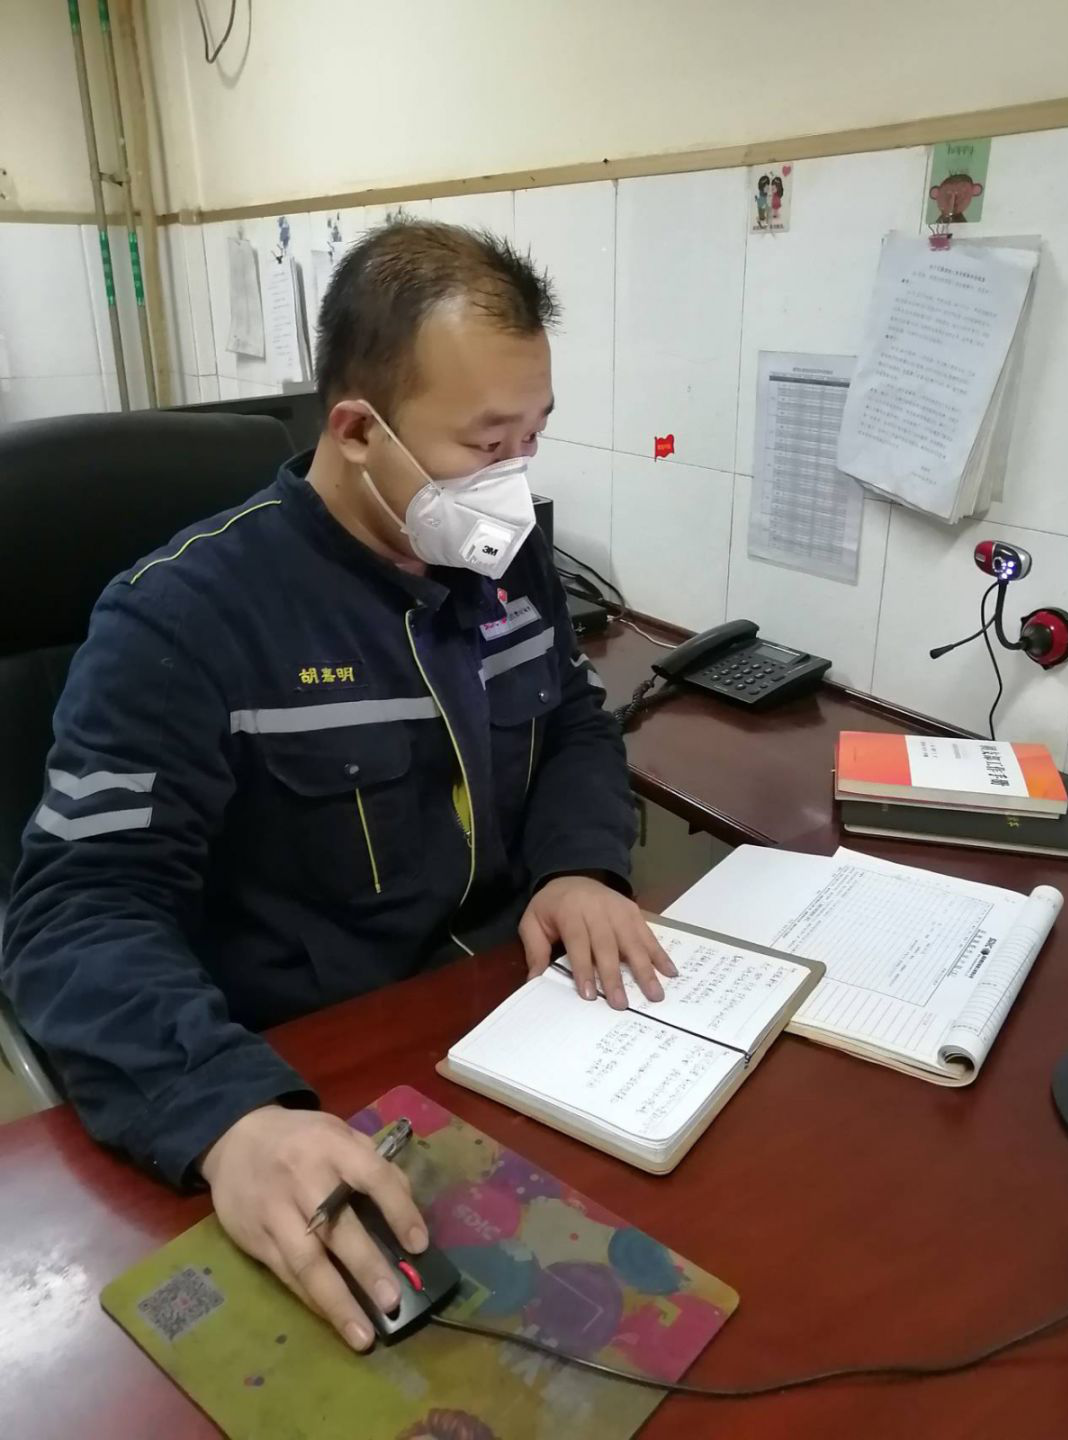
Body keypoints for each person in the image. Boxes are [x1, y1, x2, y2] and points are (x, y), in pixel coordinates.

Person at [0, 219, 674, 1354]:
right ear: (358, 431)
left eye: (533, 438)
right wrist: (228, 1118)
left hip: (516, 1026)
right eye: (485, 444)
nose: (514, 486)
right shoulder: (183, 620)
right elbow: (76, 915)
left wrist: (580, 866)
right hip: (304, 1075)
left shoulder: (505, 565)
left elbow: (572, 723)